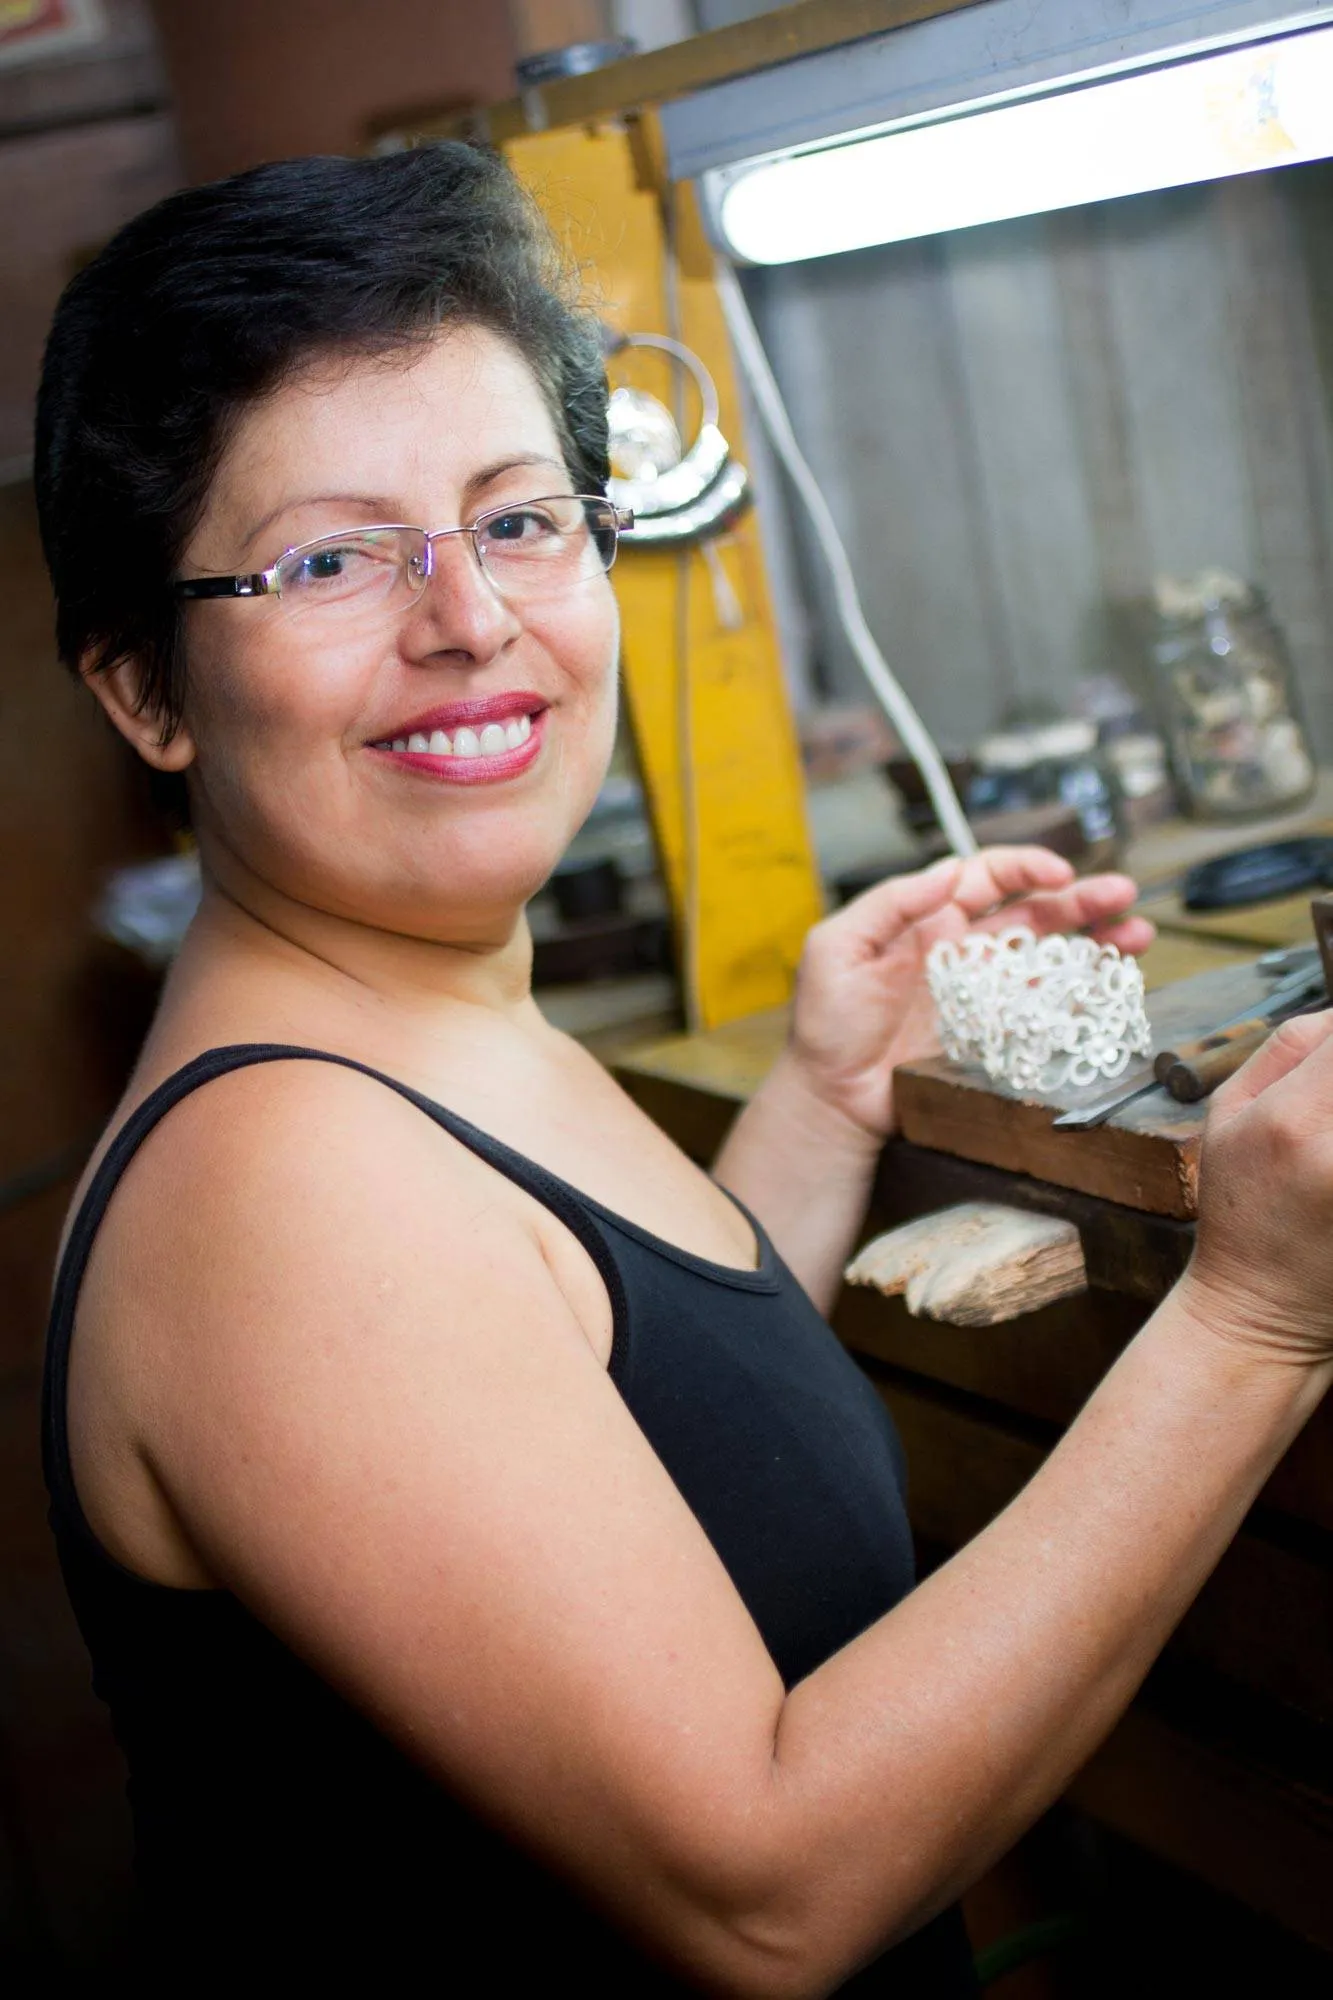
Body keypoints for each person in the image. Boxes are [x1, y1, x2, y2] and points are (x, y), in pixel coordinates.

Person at [35, 144, 1333, 1995]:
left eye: (519, 517)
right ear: (145, 687)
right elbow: (770, 1886)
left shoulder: (426, 1023)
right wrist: (1254, 1320)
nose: (467, 617)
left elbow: (607, 1437)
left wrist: (814, 1107)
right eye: (329, 557)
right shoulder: (284, 1191)